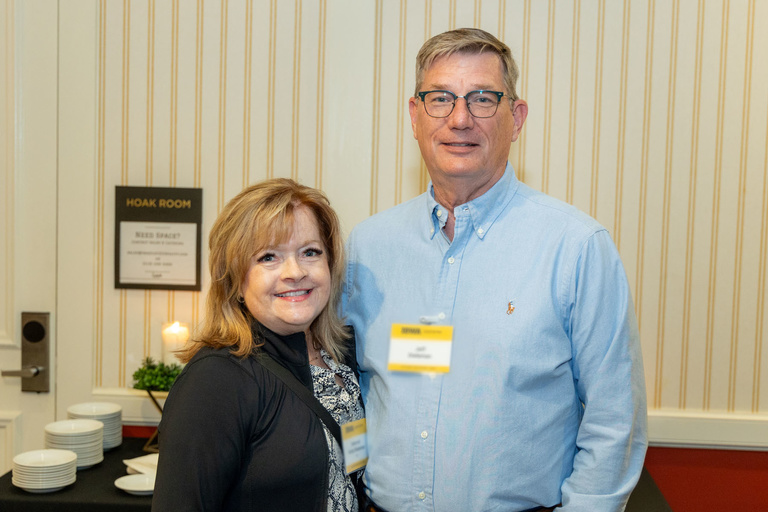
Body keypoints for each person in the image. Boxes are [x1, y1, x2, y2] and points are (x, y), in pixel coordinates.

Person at [343, 28, 647, 511]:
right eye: (440, 98)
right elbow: (349, 391)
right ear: (414, 116)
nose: (460, 119)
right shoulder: (368, 246)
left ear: (517, 117)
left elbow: (615, 421)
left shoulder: (576, 248)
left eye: (483, 99)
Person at [152, 178, 365, 512]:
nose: (295, 272)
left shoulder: (343, 359)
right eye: (268, 257)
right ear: (235, 281)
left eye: (310, 252)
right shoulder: (216, 381)